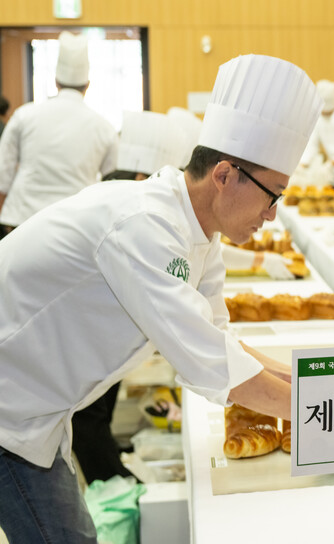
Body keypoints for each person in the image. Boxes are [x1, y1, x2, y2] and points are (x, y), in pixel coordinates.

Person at [0, 54, 322, 543]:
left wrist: (309, 381)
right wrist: (327, 409)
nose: (272, 215)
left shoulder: (199, 235)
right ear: (225, 175)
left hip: (35, 409)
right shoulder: (144, 226)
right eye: (272, 195)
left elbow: (220, 343)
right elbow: (214, 366)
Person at [71, 109, 189, 484]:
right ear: (144, 175)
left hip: (93, 327)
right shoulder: (125, 204)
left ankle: (109, 459)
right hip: (68, 335)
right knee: (87, 408)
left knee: (103, 392)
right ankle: (111, 478)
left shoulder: (122, 190)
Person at [0, 31, 118, 239]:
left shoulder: (24, 115)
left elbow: (3, 176)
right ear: (87, 85)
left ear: (56, 81)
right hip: (78, 226)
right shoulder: (104, 127)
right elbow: (111, 182)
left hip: (22, 221)